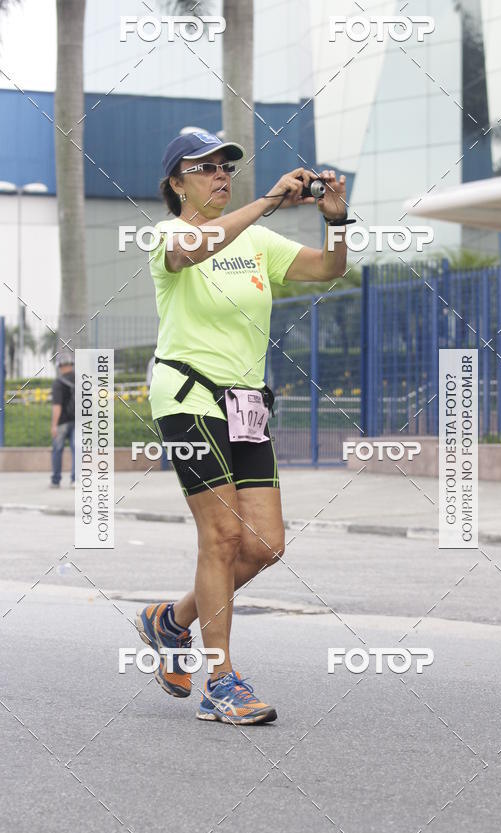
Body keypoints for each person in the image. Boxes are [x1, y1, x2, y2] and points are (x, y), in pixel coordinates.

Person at [136, 130, 349, 724]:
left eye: (226, 165)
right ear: (176, 184)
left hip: (246, 407)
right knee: (222, 539)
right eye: (203, 168)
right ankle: (220, 681)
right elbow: (195, 250)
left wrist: (337, 220)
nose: (220, 175)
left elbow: (328, 269)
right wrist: (272, 200)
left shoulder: (256, 240)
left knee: (265, 546)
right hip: (186, 399)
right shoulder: (168, 235)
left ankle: (170, 621)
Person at [50, 350, 76, 488]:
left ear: (60, 366)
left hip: (62, 422)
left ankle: (55, 480)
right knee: (77, 450)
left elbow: (57, 406)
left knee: (57, 450)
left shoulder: (58, 383)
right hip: (79, 422)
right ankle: (75, 480)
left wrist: (54, 425)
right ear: (72, 364)